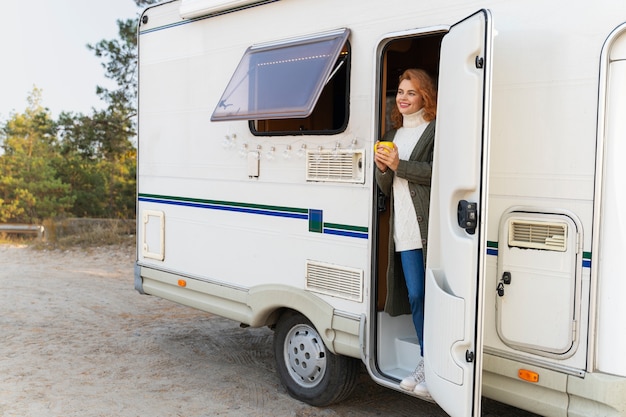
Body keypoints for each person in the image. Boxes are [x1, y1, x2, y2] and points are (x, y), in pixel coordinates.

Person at [374, 68, 437, 397]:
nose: (402, 98)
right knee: (416, 296)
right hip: (404, 232)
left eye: (410, 92)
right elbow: (386, 187)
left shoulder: (435, 129)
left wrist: (401, 165)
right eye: (400, 91)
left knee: (436, 298)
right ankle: (427, 361)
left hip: (433, 230)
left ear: (424, 96)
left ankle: (434, 365)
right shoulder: (392, 134)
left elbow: (440, 172)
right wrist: (383, 169)